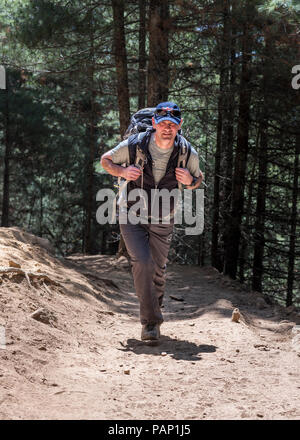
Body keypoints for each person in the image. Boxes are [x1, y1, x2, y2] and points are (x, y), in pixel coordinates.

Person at [101, 102, 203, 341]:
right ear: (155, 123)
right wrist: (122, 172)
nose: (167, 128)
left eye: (172, 124)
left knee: (158, 270)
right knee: (142, 262)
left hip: (164, 218)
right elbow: (106, 160)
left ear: (179, 127)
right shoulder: (135, 145)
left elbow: (198, 179)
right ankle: (150, 323)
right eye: (163, 123)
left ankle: (152, 309)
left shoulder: (187, 152)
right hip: (130, 213)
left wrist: (190, 180)